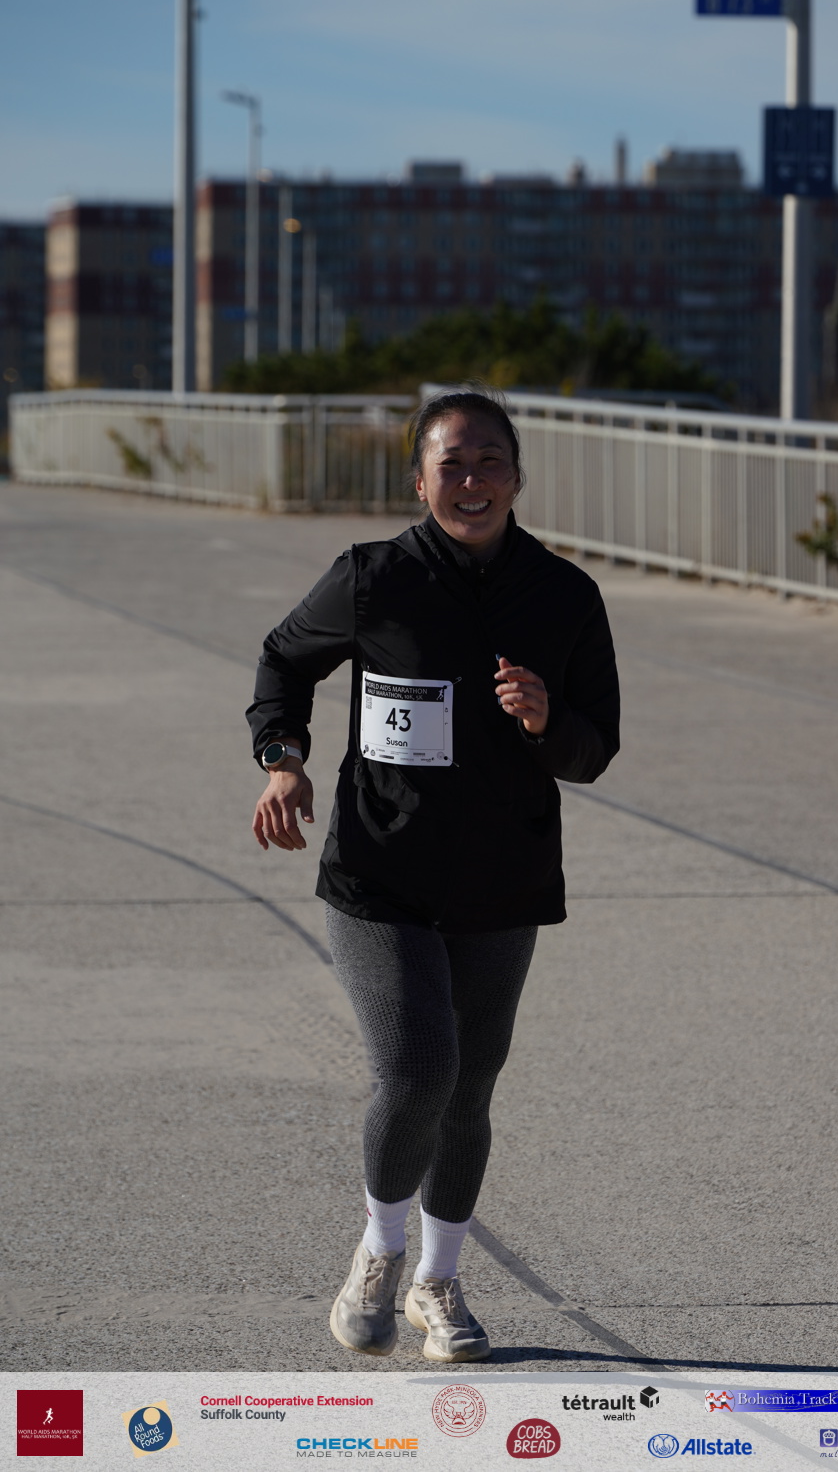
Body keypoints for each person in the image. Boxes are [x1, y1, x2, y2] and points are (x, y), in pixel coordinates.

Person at [247, 388, 620, 1363]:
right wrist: (283, 757)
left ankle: (438, 1282)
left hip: (502, 879)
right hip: (380, 873)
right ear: (419, 481)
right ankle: (379, 1252)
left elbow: (595, 748)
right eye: (451, 462)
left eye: (490, 460)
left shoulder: (564, 595)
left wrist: (546, 719)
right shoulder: (373, 578)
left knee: (469, 1089)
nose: (472, 479)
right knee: (417, 1069)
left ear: (518, 477)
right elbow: (284, 660)